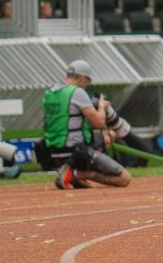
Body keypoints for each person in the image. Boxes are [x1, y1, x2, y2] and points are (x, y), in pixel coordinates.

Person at [42, 60, 131, 189]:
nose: (87, 84)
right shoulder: (77, 92)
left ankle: (72, 172)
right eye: (88, 80)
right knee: (124, 179)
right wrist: (101, 106)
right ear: (83, 77)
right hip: (76, 151)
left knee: (108, 135)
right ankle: (77, 174)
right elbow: (100, 123)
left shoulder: (50, 93)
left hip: (53, 150)